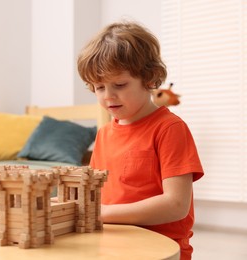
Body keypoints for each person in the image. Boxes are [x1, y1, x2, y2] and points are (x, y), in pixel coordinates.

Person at [77, 20, 204, 260]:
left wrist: (102, 213)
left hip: (160, 248)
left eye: (120, 84)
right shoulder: (104, 133)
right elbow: (92, 194)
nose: (108, 96)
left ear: (150, 78)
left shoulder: (170, 128)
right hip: (110, 244)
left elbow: (176, 205)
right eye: (99, 87)